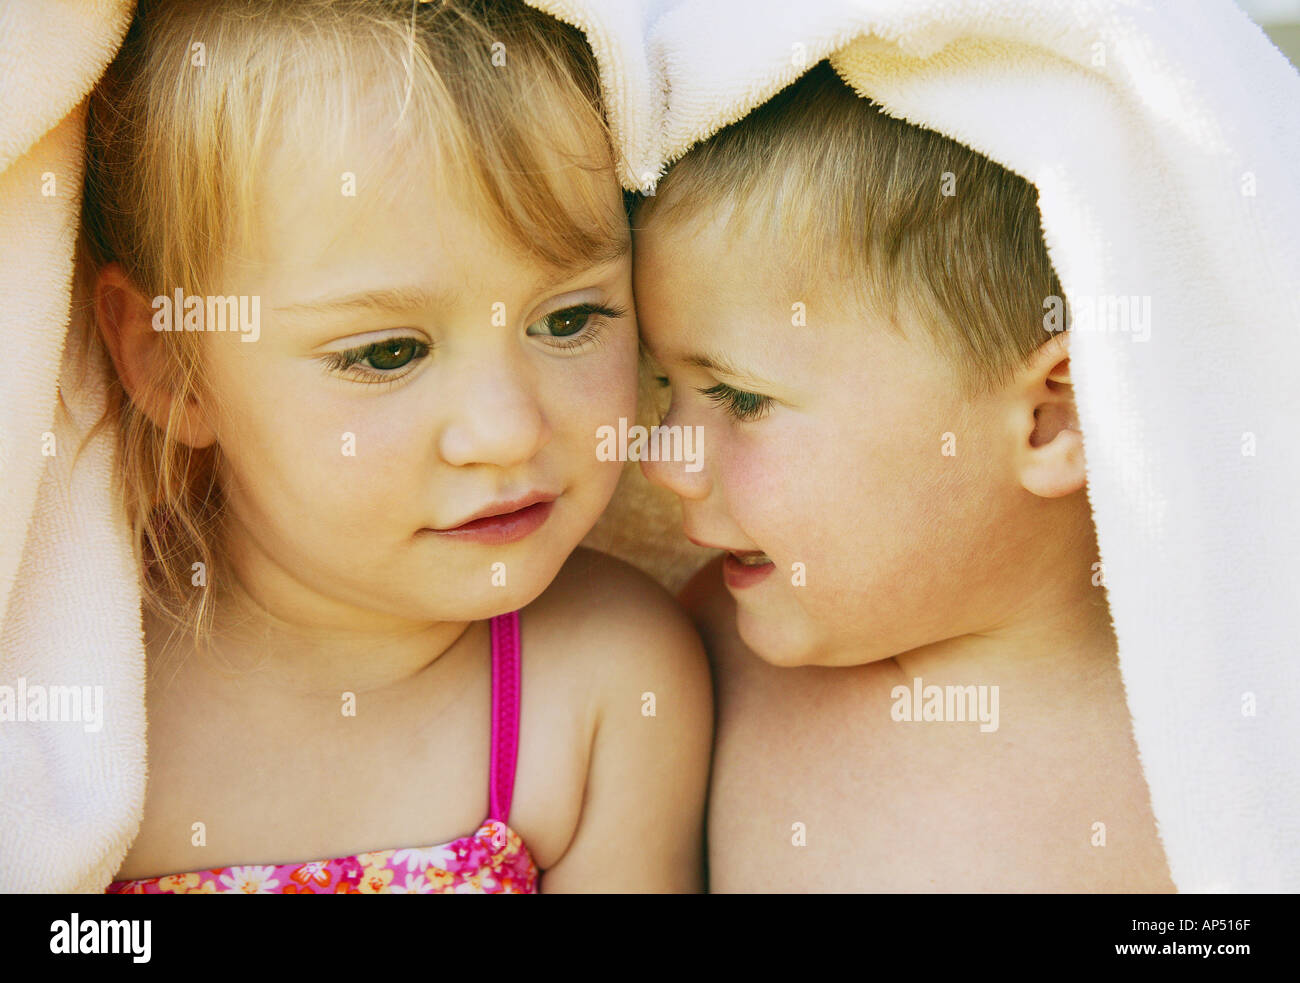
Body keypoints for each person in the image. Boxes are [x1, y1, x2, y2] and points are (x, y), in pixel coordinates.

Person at [80, 0, 709, 894]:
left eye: (570, 318)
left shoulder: (607, 686)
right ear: (176, 366)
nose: (508, 429)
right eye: (387, 352)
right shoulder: (75, 695)